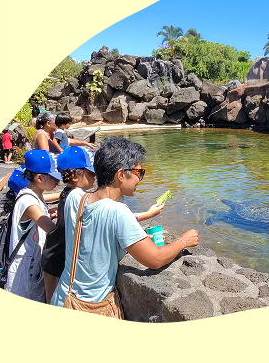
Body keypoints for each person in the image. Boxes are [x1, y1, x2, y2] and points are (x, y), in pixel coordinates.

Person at [52, 136, 199, 317]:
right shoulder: (118, 212)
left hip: (62, 298)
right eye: (139, 172)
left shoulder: (75, 197)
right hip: (92, 306)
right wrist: (183, 241)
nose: (141, 178)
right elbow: (155, 259)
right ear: (121, 175)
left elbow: (92, 241)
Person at [2, 150, 64, 302]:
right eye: (53, 177)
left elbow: (37, 215)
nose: (56, 182)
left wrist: (49, 212)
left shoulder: (33, 194)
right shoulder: (28, 201)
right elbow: (52, 229)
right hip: (24, 272)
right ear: (39, 178)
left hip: (30, 268)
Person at [41, 146, 97, 304]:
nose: (95, 176)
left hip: (53, 254)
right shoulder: (80, 197)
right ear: (73, 175)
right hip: (57, 259)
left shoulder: (67, 191)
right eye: (91, 172)